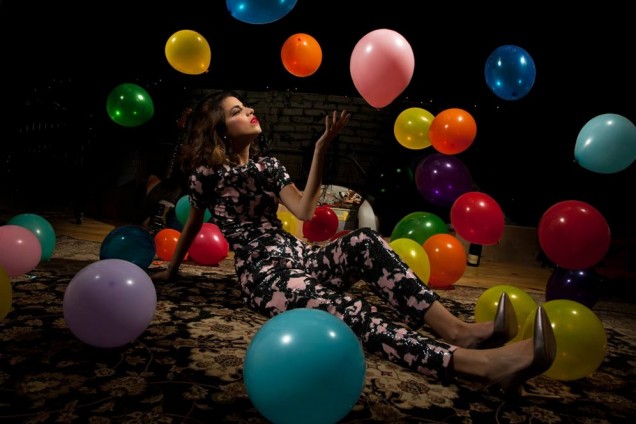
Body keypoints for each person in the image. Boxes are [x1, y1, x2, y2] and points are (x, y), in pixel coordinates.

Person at [151, 90, 556, 396]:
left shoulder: (269, 167)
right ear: (220, 130)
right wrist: (171, 269)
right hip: (265, 275)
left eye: (246, 106)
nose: (248, 111)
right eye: (236, 111)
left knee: (364, 240)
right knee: (348, 309)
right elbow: (194, 222)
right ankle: (475, 365)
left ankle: (457, 329)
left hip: (300, 256)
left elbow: (305, 210)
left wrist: (320, 151)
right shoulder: (207, 174)